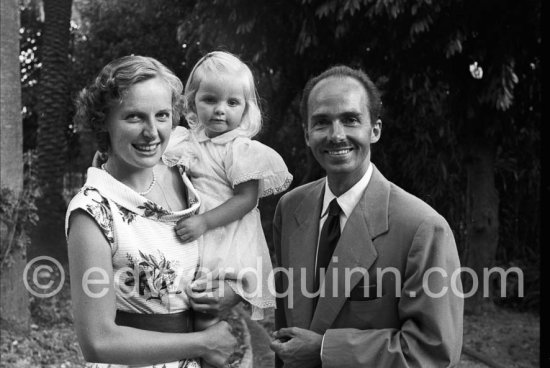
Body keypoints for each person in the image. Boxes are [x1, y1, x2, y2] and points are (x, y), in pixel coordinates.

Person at [270, 65, 463, 367]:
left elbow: (433, 351)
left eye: (350, 120)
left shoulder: (423, 228)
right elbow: (287, 330)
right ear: (307, 135)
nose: (336, 135)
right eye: (322, 123)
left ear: (375, 130)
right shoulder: (291, 207)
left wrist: (324, 351)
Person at [66, 55, 237, 368]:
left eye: (162, 115)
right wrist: (202, 342)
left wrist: (220, 294)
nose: (152, 132)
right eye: (134, 117)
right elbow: (97, 341)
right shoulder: (91, 212)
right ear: (103, 120)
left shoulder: (185, 175)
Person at [163, 51, 293, 337]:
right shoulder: (184, 140)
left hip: (226, 236)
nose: (220, 109)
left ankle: (213, 354)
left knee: (207, 309)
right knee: (186, 311)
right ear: (192, 101)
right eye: (210, 100)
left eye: (232, 102)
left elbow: (247, 199)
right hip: (196, 236)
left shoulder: (239, 148)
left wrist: (204, 222)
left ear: (245, 108)